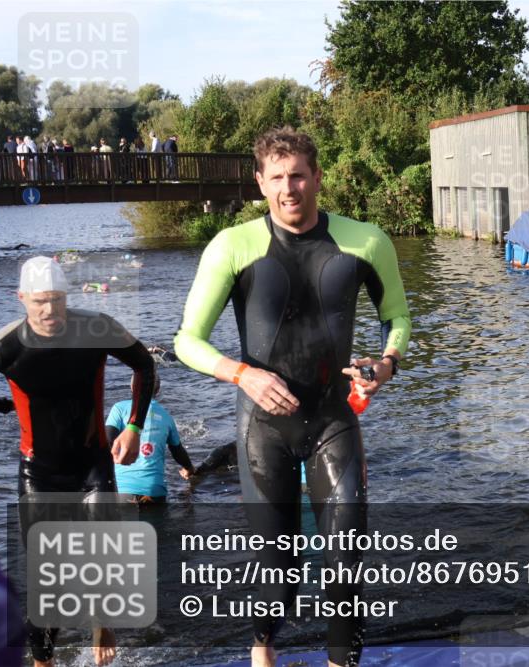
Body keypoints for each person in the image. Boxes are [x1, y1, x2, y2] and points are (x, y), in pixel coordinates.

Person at [174, 127, 411, 667]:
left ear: (318, 177)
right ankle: (263, 648)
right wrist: (242, 375)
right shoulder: (231, 246)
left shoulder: (366, 241)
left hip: (333, 420)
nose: (289, 189)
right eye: (277, 177)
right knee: (279, 576)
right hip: (264, 428)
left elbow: (397, 315)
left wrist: (386, 363)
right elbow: (187, 340)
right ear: (260, 182)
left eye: (298, 175)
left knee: (346, 564)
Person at [0, 256, 156, 667]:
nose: (50, 310)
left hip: (92, 466)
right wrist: (2, 405)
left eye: (58, 300)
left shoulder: (97, 328)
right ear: (21, 298)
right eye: (40, 301)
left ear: (67, 296)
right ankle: (43, 662)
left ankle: (102, 619)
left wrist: (134, 427)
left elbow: (144, 364)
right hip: (39, 472)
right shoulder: (3, 345)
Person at [107, 374, 195, 504]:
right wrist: (189, 468)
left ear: (132, 387)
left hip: (121, 490)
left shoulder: (119, 408)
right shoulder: (166, 416)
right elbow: (177, 451)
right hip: (154, 493)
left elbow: (108, 439)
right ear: (158, 390)